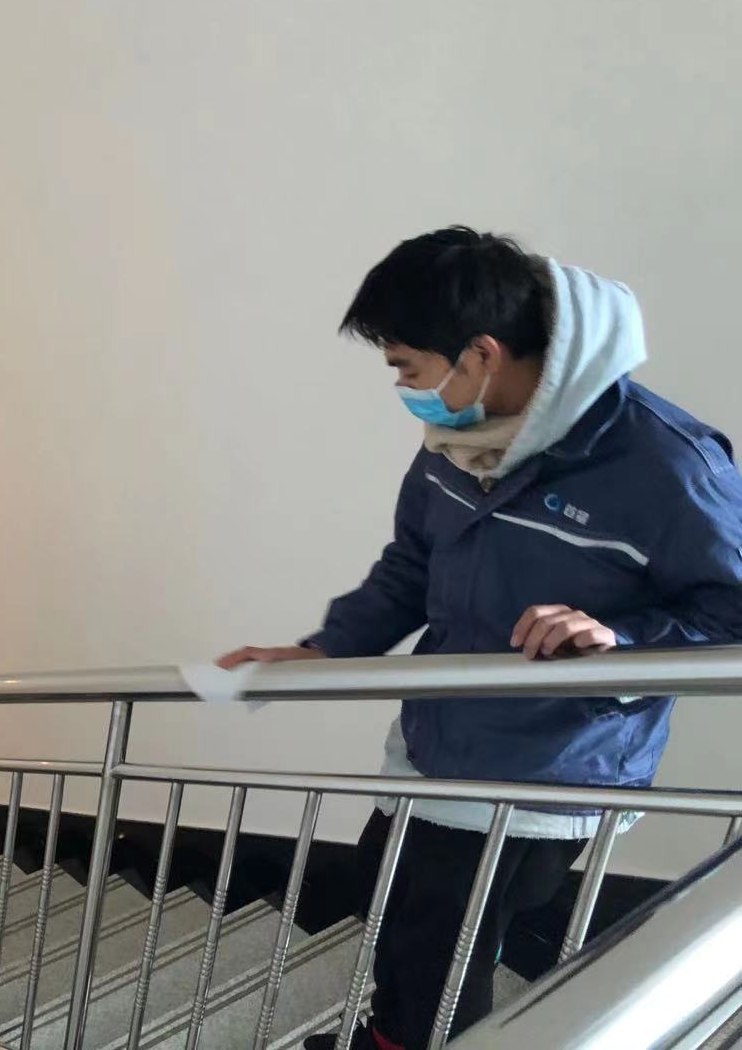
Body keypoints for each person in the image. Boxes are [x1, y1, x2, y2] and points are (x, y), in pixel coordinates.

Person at [219, 227, 742, 1050]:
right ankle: (393, 1035)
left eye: (408, 367)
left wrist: (618, 639)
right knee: (395, 903)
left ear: (482, 354)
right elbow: (411, 565)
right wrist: (326, 650)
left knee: (440, 950)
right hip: (433, 740)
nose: (404, 389)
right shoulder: (458, 441)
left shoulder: (669, 466)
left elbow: (731, 615)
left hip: (545, 771)